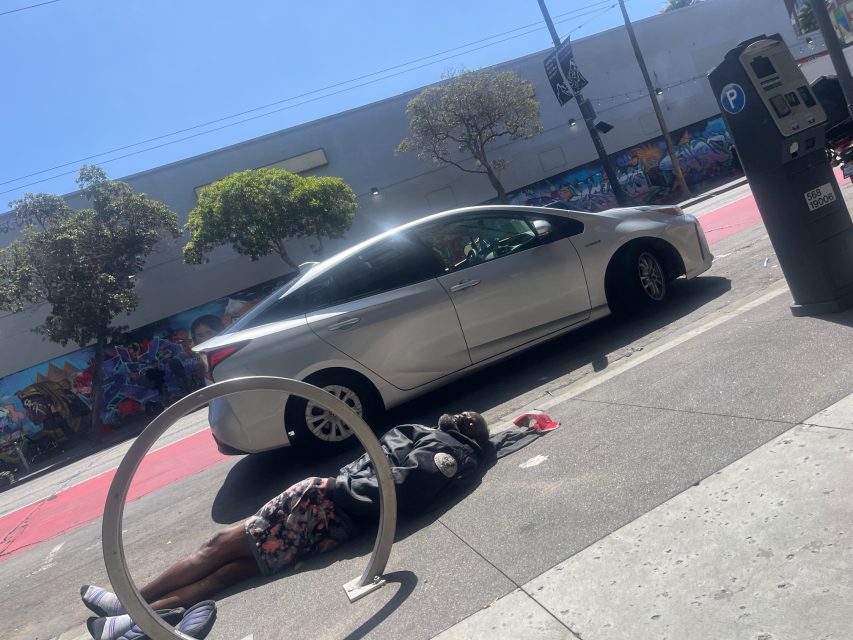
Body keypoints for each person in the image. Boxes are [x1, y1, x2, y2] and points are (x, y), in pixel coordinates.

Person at [81, 411, 492, 640]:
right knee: (229, 570)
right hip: (333, 517)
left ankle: (128, 602)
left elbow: (401, 489)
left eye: (473, 419)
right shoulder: (442, 439)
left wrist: (341, 487)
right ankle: (137, 620)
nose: (466, 414)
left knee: (218, 546)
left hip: (326, 505)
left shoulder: (451, 449)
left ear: (472, 435)